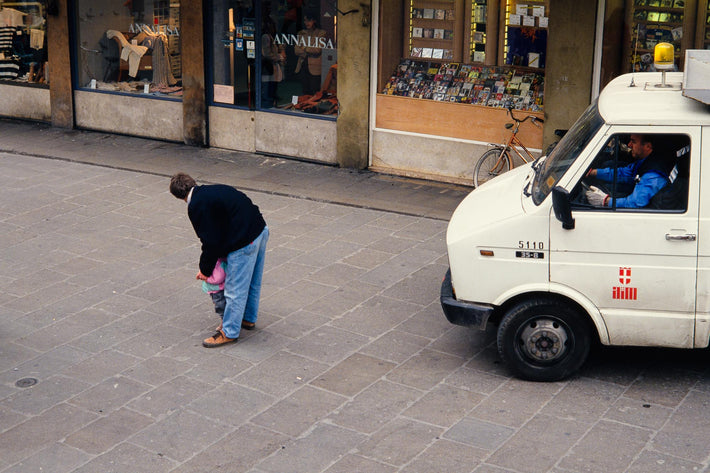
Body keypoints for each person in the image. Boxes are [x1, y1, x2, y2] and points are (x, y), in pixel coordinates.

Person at [169, 173, 269, 348]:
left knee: (234, 289)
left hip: (244, 242)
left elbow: (210, 241)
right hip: (260, 229)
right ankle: (247, 319)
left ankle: (229, 332)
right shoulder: (212, 190)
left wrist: (205, 270)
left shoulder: (196, 206)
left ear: (178, 196)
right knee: (253, 281)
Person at [585, 134, 673, 208]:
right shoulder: (645, 160)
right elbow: (624, 173)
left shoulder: (652, 175)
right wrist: (593, 172)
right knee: (606, 185)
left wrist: (605, 201)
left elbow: (635, 203)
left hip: (646, 214)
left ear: (648, 146)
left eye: (633, 142)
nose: (629, 145)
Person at [294, 11, 327, 95]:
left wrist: (304, 47)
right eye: (305, 20)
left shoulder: (321, 33)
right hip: (302, 65)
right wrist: (308, 51)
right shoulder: (301, 33)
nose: (306, 22)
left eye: (309, 20)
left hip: (315, 67)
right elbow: (296, 50)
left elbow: (317, 50)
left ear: (314, 21)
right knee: (304, 91)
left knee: (314, 91)